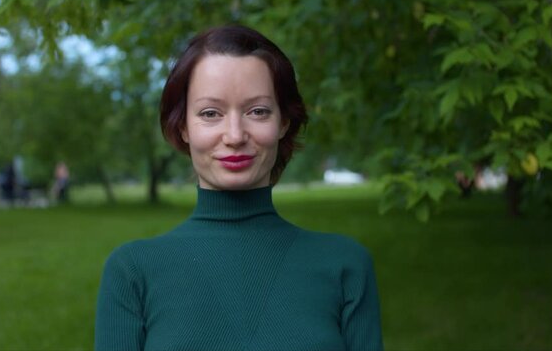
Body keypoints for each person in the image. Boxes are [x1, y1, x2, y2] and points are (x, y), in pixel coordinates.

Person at [95, 25, 383, 350]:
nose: (234, 135)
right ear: (183, 126)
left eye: (257, 111)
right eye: (210, 113)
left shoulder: (345, 266)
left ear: (283, 123)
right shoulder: (133, 273)